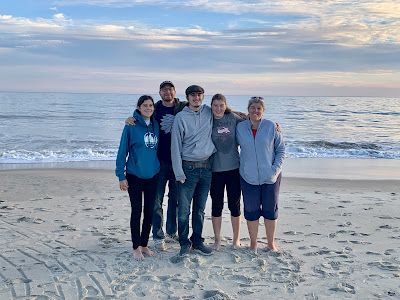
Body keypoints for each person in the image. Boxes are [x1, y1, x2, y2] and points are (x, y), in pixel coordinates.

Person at [125, 81, 187, 251]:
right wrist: (131, 117)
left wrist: (232, 113)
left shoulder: (183, 107)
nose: (167, 92)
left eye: (170, 89)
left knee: (175, 200)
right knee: (156, 202)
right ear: (160, 92)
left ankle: (172, 232)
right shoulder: (156, 108)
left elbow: (203, 110)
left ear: (175, 91)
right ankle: (158, 236)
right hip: (158, 162)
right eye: (164, 89)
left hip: (177, 161)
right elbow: (141, 114)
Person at [236, 96, 285, 252]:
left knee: (270, 211)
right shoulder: (240, 127)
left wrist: (274, 170)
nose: (255, 111)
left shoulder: (271, 127)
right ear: (248, 110)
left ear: (263, 111)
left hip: (270, 177)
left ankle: (270, 244)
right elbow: (224, 115)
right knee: (251, 212)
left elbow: (281, 150)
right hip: (247, 176)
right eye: (252, 107)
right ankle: (253, 244)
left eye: (259, 108)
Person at [171, 85, 215, 256]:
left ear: (203, 97)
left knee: (200, 209)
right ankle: (184, 243)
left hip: (206, 168)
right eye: (193, 96)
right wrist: (178, 172)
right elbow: (175, 147)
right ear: (187, 98)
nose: (196, 98)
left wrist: (246, 116)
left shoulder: (208, 111)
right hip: (187, 169)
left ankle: (197, 241)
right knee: (183, 210)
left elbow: (225, 112)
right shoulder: (180, 118)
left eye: (199, 95)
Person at [116, 95, 160, 261]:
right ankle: (136, 247)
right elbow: (122, 151)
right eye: (145, 106)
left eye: (151, 106)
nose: (148, 108)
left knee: (150, 211)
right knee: (137, 211)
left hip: (153, 174)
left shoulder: (155, 124)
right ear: (139, 107)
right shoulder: (131, 125)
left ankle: (144, 244)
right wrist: (121, 175)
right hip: (134, 175)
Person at [209, 93, 244, 250]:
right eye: (215, 105)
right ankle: (217, 240)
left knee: (234, 205)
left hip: (233, 169)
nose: (218, 108)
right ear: (211, 106)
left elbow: (253, 122)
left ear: (225, 105)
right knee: (216, 205)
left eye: (221, 105)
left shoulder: (233, 118)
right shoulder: (206, 119)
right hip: (215, 170)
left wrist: (274, 125)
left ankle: (236, 239)